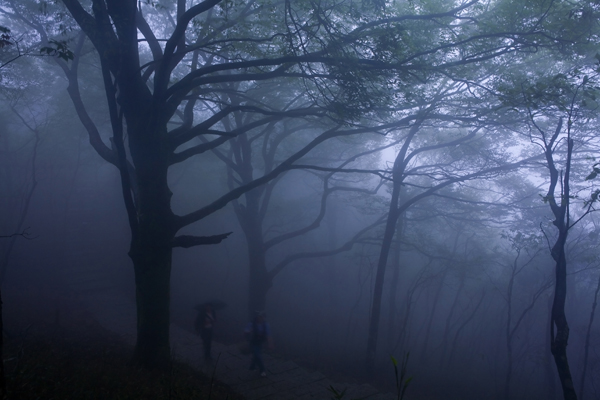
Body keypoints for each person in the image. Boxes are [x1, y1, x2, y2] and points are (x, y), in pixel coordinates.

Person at [244, 311, 272, 377]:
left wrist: (270, 343)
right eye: (259, 317)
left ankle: (252, 367)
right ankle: (262, 370)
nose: (261, 318)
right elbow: (245, 331)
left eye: (262, 317)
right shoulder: (251, 323)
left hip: (260, 342)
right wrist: (249, 331)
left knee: (256, 354)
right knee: (257, 355)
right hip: (253, 341)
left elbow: (268, 335)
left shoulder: (266, 325)